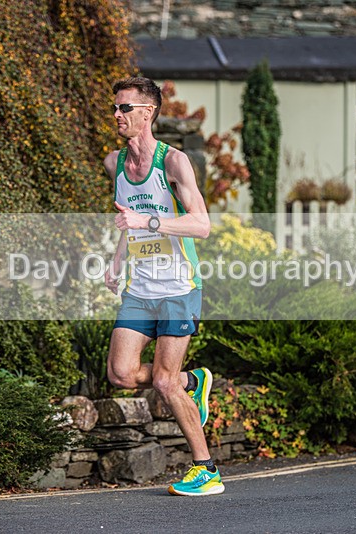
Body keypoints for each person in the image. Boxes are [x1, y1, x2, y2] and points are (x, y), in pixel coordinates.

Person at [103, 76, 224, 496]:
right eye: (115, 107)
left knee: (163, 382)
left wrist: (149, 221)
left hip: (177, 287)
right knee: (120, 373)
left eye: (125, 108)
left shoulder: (173, 162)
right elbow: (128, 218)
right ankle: (195, 382)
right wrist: (117, 260)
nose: (117, 114)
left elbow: (201, 225)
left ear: (148, 112)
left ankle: (206, 469)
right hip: (139, 288)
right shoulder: (114, 163)